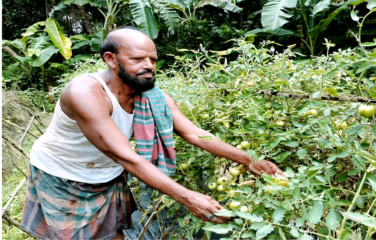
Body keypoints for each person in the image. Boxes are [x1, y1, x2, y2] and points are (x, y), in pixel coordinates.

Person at [21, 27, 284, 240]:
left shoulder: (152, 98)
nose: (148, 66)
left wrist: (248, 160)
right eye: (137, 59)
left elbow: (195, 134)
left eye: (153, 60)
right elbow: (126, 157)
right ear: (111, 59)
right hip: (64, 176)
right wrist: (188, 197)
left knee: (113, 234)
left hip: (106, 177)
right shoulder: (86, 93)